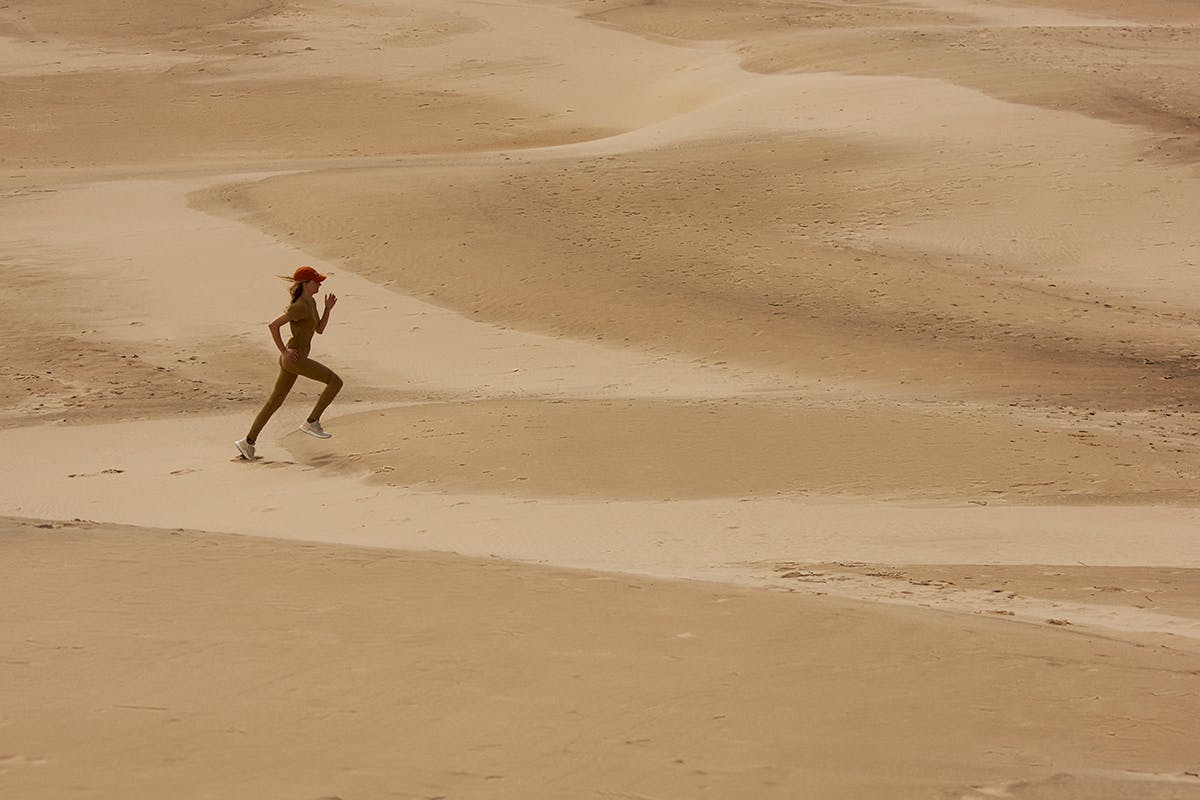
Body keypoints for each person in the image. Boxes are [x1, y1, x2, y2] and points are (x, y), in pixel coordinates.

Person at [235, 266, 342, 460]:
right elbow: (273, 326)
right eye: (316, 281)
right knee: (335, 382)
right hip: (296, 359)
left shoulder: (311, 302)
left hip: (293, 360)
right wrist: (284, 351)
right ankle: (312, 422)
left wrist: (327, 309)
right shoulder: (299, 306)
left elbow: (319, 329)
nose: (319, 284)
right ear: (306, 284)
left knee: (274, 402)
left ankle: (247, 442)